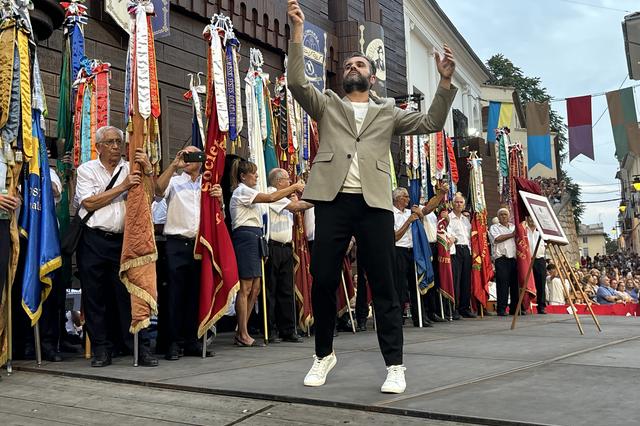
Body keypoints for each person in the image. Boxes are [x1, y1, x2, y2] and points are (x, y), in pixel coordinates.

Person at [287, 0, 457, 394]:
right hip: (332, 202)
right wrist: (297, 33)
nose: (352, 68)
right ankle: (323, 354)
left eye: (360, 65)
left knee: (383, 284)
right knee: (324, 280)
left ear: (373, 77)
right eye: (348, 65)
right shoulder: (327, 104)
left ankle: (395, 365)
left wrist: (445, 82)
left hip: (374, 205)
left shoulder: (390, 113)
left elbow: (431, 121)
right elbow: (297, 83)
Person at [75, 125, 158, 367]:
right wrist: (123, 187)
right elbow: (88, 203)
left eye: (118, 142)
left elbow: (152, 197)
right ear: (98, 146)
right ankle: (101, 349)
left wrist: (149, 171)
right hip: (93, 240)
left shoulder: (131, 168)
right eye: (109, 142)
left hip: (125, 242)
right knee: (95, 297)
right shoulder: (87, 170)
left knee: (129, 294)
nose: (115, 146)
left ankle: (138, 347)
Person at [229, 159, 304, 347]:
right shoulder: (241, 191)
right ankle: (243, 333)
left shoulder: (252, 192)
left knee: (255, 287)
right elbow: (271, 199)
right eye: (253, 174)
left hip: (256, 235)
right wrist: (294, 186)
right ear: (243, 176)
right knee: (246, 287)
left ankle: (242, 330)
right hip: (245, 235)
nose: (256, 176)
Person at [154, 147, 220, 360]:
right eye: (186, 154)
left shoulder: (207, 184)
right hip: (176, 244)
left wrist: (219, 199)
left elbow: (219, 218)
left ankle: (193, 340)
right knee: (174, 295)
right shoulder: (174, 180)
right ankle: (172, 342)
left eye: (194, 155)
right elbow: (157, 191)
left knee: (196, 294)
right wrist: (174, 164)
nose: (190, 159)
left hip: (200, 244)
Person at [265, 168, 313, 343]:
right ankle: (270, 329)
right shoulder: (271, 194)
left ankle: (288, 329)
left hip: (286, 247)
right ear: (278, 182)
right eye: (287, 179)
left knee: (286, 289)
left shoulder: (284, 196)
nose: (290, 181)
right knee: (271, 290)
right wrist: (316, 201)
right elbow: (295, 207)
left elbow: (295, 208)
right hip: (273, 246)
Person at [392, 187, 430, 327]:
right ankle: (398, 317)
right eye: (405, 197)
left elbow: (424, 213)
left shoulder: (410, 212)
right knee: (400, 285)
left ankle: (419, 316)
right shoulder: (391, 213)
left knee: (416, 284)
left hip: (413, 251)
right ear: (398, 198)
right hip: (399, 250)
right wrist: (408, 221)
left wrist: (419, 215)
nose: (408, 199)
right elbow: (394, 237)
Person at [448, 193, 476, 318]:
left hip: (467, 250)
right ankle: (454, 308)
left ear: (464, 205)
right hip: (456, 249)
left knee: (466, 280)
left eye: (461, 202)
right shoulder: (448, 218)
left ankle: (465, 308)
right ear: (452, 204)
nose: (459, 204)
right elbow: (449, 234)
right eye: (457, 202)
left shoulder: (466, 220)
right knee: (456, 280)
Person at [489, 207, 517, 316]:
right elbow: (497, 239)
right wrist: (512, 234)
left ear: (509, 216)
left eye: (505, 214)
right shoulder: (494, 227)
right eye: (501, 214)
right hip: (501, 259)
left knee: (514, 285)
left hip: (513, 259)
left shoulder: (513, 227)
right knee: (502, 285)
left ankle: (515, 309)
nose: (504, 216)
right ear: (498, 216)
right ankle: (501, 309)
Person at [526, 216, 546, 314]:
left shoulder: (541, 232)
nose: (531, 221)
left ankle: (541, 306)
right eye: (530, 219)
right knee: (526, 283)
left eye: (533, 219)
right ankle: (524, 306)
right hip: (528, 260)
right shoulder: (525, 232)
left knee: (541, 283)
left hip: (540, 259)